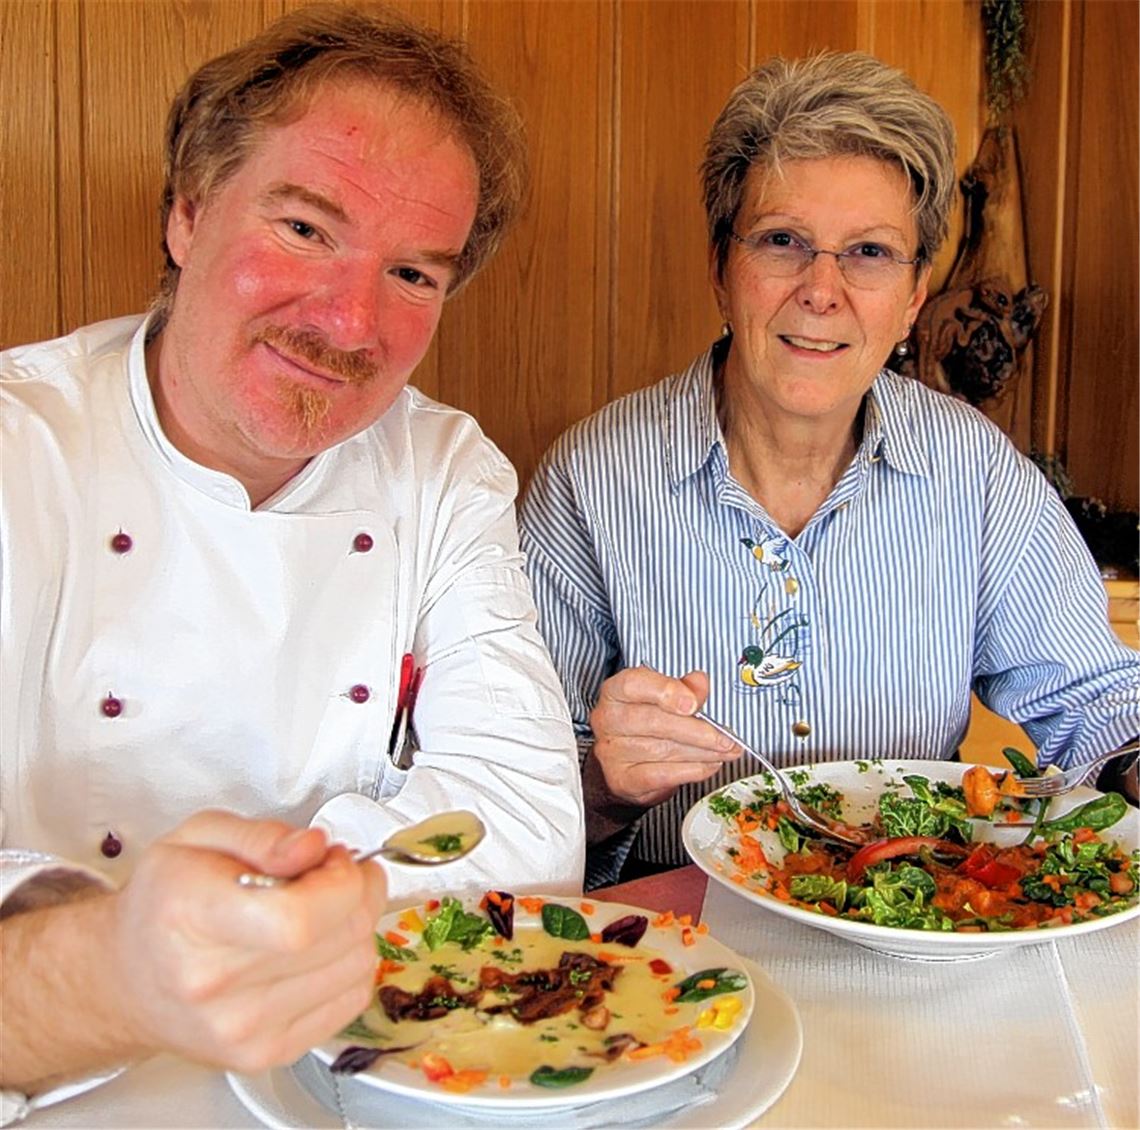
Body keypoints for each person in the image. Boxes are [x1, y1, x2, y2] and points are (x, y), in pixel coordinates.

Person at [0, 5, 584, 1114]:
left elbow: (528, 824)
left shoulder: (444, 469)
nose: (349, 323)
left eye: (414, 274)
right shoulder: (16, 447)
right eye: (307, 229)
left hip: (356, 1079)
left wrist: (248, 924)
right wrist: (119, 960)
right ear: (186, 212)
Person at [519, 52, 1140, 888]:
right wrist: (602, 785)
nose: (822, 289)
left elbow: (1092, 700)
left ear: (916, 294)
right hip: (678, 940)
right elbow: (516, 792)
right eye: (783, 241)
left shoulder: (976, 473)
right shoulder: (590, 480)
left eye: (870, 253)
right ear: (720, 266)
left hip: (917, 915)